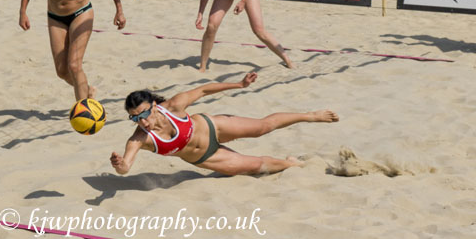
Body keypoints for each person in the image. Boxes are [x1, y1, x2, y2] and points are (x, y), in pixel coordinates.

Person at [111, 73, 338, 176]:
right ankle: (292, 164)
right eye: (134, 118)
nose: (142, 121)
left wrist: (239, 85)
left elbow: (204, 89)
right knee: (256, 167)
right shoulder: (139, 139)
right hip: (206, 158)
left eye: (144, 114)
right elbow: (125, 169)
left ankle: (310, 115)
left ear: (153, 105)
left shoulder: (173, 106)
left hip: (213, 127)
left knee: (262, 128)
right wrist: (119, 164)